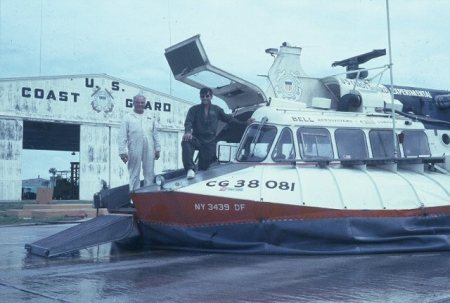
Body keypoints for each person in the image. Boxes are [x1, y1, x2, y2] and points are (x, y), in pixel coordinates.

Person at [182, 87, 254, 179]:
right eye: (202, 96)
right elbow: (188, 122)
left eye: (207, 96)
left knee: (204, 170)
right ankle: (190, 169)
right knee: (186, 141)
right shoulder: (193, 109)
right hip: (198, 139)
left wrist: (245, 123)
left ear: (211, 96)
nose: (204, 98)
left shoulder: (217, 110)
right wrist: (188, 131)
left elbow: (230, 120)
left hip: (209, 143)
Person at [118, 94, 161, 191]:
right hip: (134, 147)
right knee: (134, 173)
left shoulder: (150, 117)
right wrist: (122, 151)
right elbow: (122, 135)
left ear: (145, 103)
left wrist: (158, 148)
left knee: (149, 173)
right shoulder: (127, 117)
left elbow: (155, 135)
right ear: (133, 103)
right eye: (137, 102)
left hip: (149, 148)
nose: (140, 104)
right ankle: (134, 198)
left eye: (142, 102)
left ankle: (148, 196)